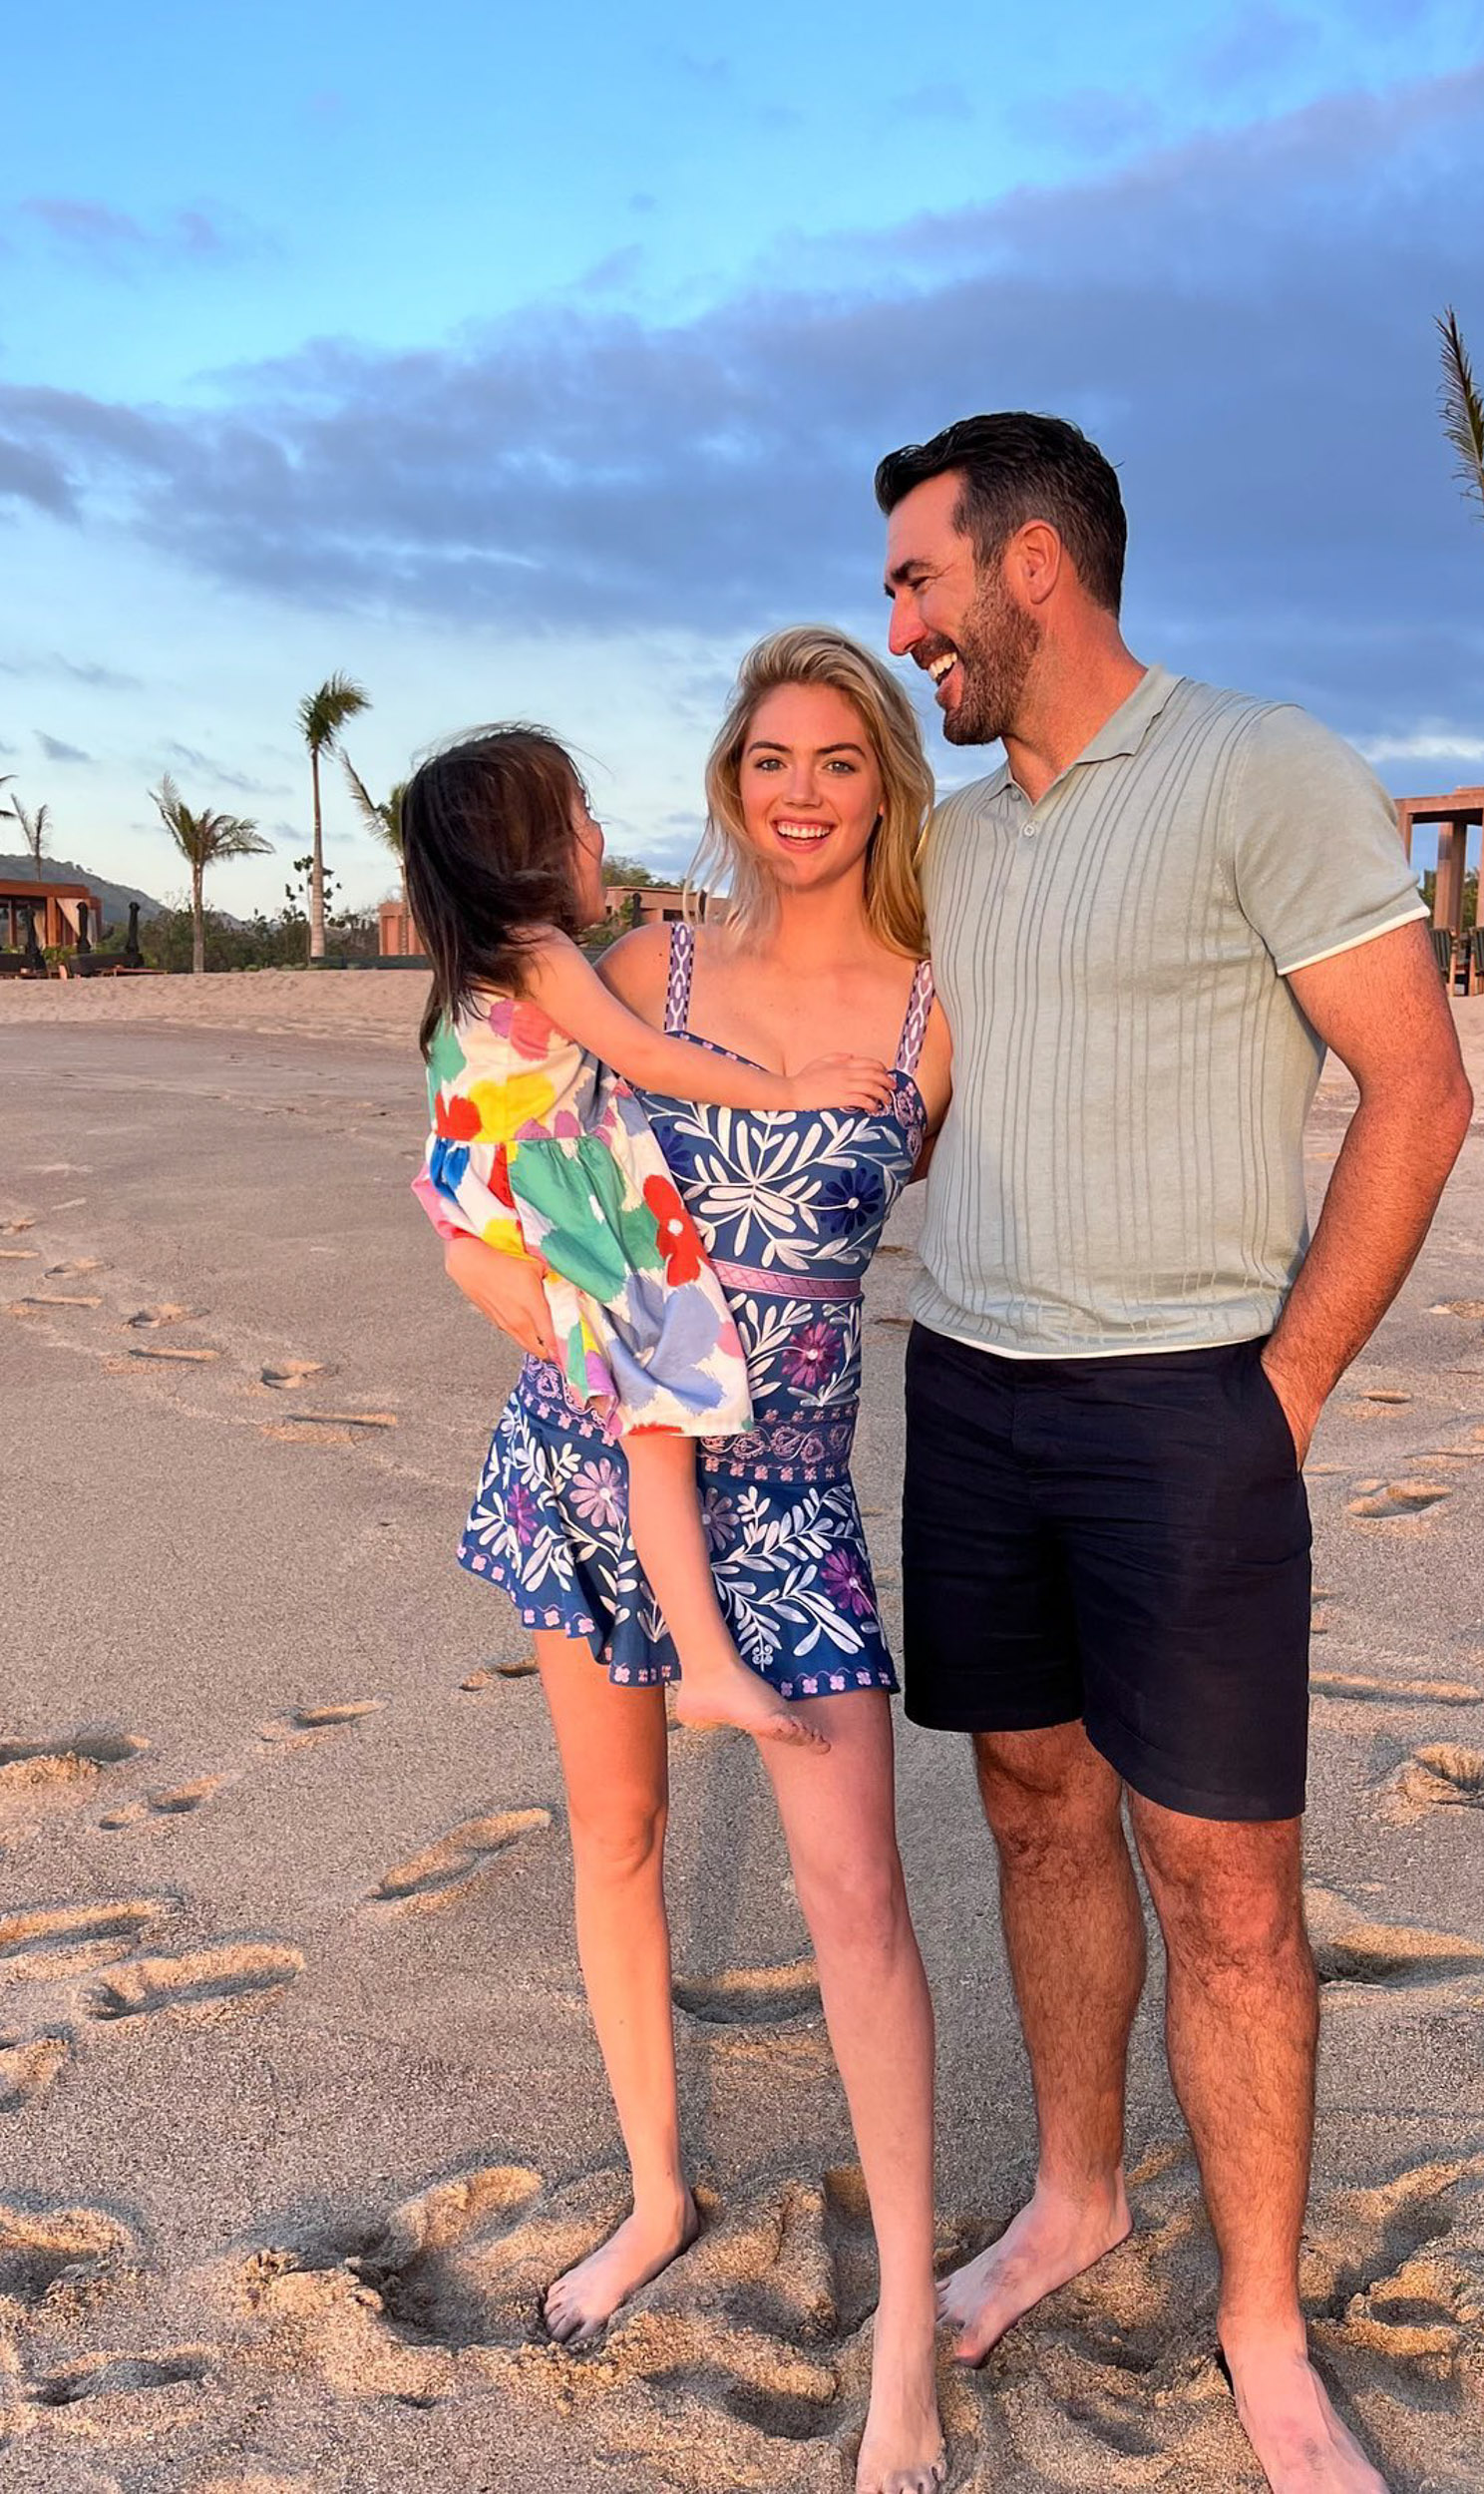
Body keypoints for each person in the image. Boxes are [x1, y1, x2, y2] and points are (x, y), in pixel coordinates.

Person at [877, 412, 1474, 2494]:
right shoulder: (950, 838)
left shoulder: (1261, 767)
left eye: (917, 579)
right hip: (965, 1388)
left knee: (1226, 1883)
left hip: (1188, 1408)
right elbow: (893, 1080)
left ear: (1030, 565)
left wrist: (1287, 1388)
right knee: (1036, 1807)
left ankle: (1260, 2318)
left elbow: (1417, 1087)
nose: (903, 629)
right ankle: (1071, 2188)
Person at [437, 630, 952, 2494]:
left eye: (838, 762)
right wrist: (594, 1348)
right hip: (594, 1469)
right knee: (619, 1841)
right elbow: (475, 1220)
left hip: (799, 1505)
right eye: (768, 760)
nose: (800, 795)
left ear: (885, 783)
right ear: (729, 777)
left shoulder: (930, 1014)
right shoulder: (629, 964)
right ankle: (656, 2194)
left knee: (862, 1908)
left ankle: (908, 2331)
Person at [406, 724, 895, 1754]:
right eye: (577, 815)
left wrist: (462, 1238)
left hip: (492, 1198)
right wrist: (787, 1090)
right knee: (660, 1429)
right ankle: (709, 1664)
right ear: (525, 847)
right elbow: (645, 1054)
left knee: (646, 1436)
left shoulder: (470, 976)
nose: (596, 835)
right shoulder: (539, 955)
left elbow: (460, 1124)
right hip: (569, 1213)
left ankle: (706, 1662)